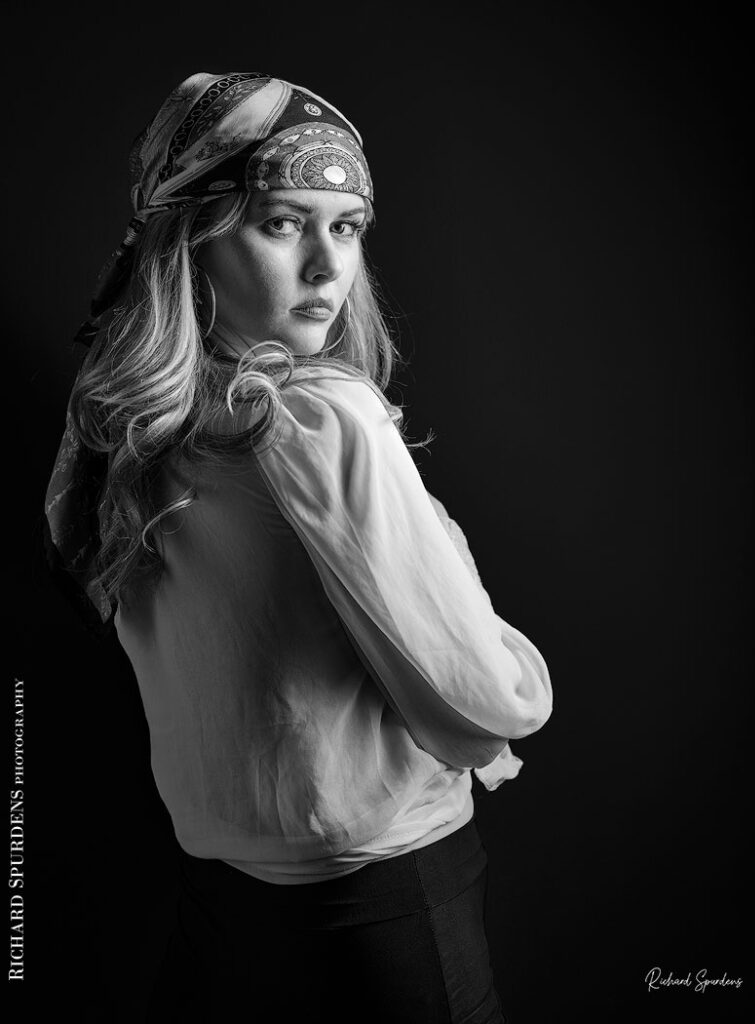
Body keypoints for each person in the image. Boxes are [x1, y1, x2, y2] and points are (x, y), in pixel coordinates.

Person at [43, 72, 554, 1024]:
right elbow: (489, 703)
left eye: (347, 226)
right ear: (190, 237)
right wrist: (511, 653)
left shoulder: (125, 427)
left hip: (219, 899)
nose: (327, 266)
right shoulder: (323, 415)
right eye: (282, 221)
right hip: (388, 908)